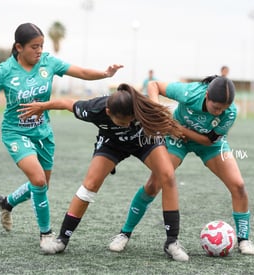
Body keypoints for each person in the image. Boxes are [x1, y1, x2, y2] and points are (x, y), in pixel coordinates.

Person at [0, 22, 123, 253]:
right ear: (19, 47)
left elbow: (79, 72)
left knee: (42, 185)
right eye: (34, 47)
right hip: (15, 133)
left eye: (41, 46)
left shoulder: (48, 62)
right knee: (38, 180)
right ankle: (46, 234)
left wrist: (105, 73)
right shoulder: (5, 71)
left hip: (43, 133)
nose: (39, 51)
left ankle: (7, 202)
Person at [16, 83, 190, 261]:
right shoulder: (94, 109)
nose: (127, 124)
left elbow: (165, 119)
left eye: (130, 120)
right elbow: (67, 103)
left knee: (167, 175)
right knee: (90, 185)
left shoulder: (141, 107)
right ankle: (62, 240)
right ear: (108, 112)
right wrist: (43, 106)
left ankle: (171, 242)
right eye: (122, 122)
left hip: (145, 140)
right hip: (111, 143)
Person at [109, 75, 254, 255]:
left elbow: (208, 140)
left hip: (208, 144)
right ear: (207, 95)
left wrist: (177, 128)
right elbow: (155, 85)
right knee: (153, 185)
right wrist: (158, 114)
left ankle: (244, 239)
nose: (219, 112)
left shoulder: (230, 112)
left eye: (223, 109)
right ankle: (124, 233)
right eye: (216, 107)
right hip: (176, 139)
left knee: (239, 186)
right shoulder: (190, 92)